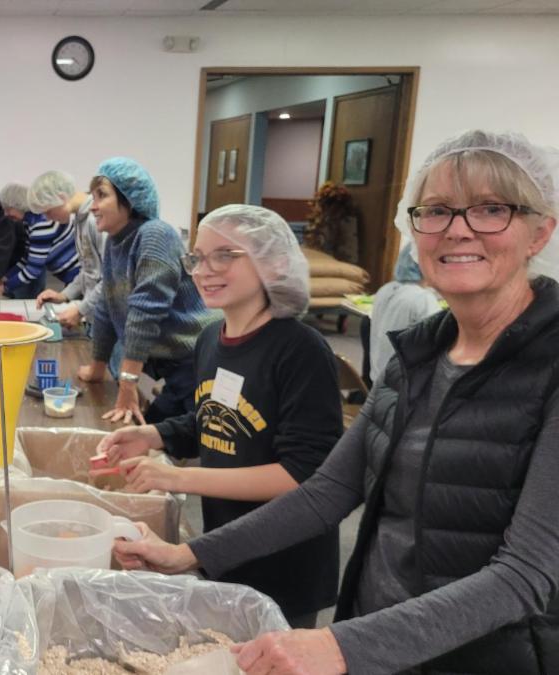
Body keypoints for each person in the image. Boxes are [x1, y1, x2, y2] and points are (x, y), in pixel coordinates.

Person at [111, 130, 559, 675]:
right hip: (379, 638)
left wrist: (344, 646)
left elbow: (526, 575)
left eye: (491, 209)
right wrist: (190, 554)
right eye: (437, 210)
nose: (457, 229)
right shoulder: (415, 357)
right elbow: (327, 492)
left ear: (540, 231)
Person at [96, 205, 341, 628]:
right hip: (225, 546)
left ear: (273, 261)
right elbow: (213, 418)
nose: (204, 270)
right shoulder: (211, 337)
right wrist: (153, 436)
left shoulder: (300, 351)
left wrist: (177, 478)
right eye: (197, 257)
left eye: (225, 255)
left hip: (285, 560)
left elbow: (302, 475)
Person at [77, 158, 217, 424]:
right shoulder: (115, 241)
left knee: (177, 433)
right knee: (149, 426)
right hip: (167, 362)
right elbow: (106, 307)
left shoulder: (155, 235)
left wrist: (127, 384)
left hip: (197, 359)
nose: (93, 206)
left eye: (102, 195)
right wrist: (97, 367)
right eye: (92, 197)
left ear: (130, 200)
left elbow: (145, 313)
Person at [30, 171, 104, 330]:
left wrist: (80, 310)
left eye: (48, 211)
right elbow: (88, 270)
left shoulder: (96, 220)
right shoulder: (79, 219)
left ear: (61, 197)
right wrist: (64, 295)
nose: (47, 218)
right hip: (96, 317)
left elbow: (110, 278)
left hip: (109, 319)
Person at [0, 171, 82, 301]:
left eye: (8, 209)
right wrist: (6, 277)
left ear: (18, 205)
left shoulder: (41, 224)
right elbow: (28, 258)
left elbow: (33, 270)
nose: (6, 214)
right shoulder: (30, 221)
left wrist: (5, 287)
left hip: (78, 277)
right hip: (76, 278)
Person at [369, 245, 441, 383]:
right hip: (406, 385)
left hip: (378, 380)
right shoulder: (422, 299)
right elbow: (441, 342)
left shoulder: (385, 290)